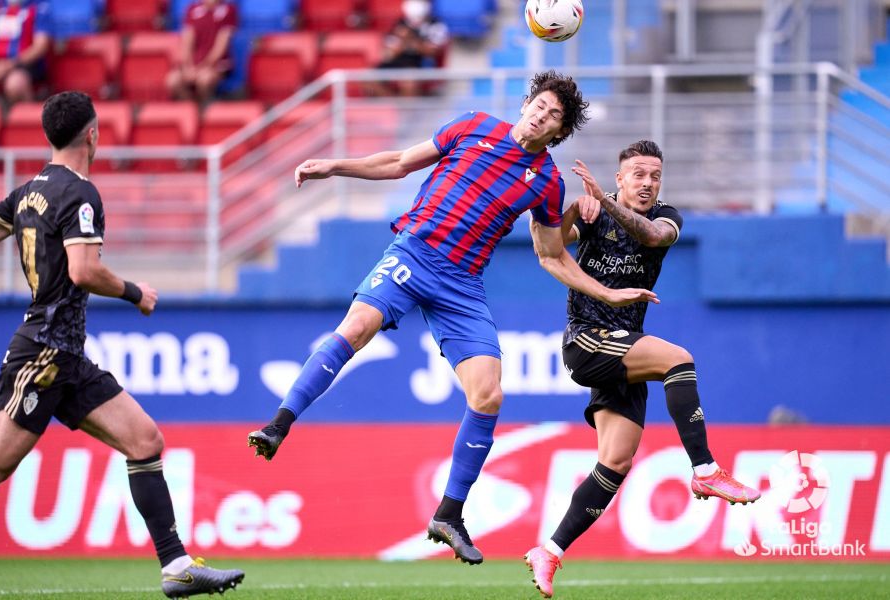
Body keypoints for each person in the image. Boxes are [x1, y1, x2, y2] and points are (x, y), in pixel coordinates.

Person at [247, 71, 659, 565]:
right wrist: (335, 166)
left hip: (462, 285)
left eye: (553, 117)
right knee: (357, 326)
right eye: (540, 105)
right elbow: (399, 162)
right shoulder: (473, 125)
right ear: (526, 103)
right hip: (415, 252)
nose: (542, 115)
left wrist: (606, 295)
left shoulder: (547, 181)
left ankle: (449, 513)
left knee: (488, 393)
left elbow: (551, 255)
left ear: (557, 134)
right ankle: (278, 424)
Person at [0, 91, 244, 599]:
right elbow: (83, 271)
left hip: (66, 356)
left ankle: (176, 565)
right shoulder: (80, 194)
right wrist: (135, 292)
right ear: (93, 133)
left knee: (145, 440)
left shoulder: (29, 191)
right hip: (42, 353)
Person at [523, 140, 761, 598]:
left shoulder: (667, 217)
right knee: (677, 359)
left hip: (623, 349)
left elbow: (651, 237)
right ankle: (706, 468)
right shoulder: (593, 213)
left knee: (615, 462)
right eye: (638, 174)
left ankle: (549, 550)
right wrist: (574, 207)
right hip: (587, 339)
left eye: (654, 175)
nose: (648, 183)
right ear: (620, 178)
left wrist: (607, 203)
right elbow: (549, 245)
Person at [370, 0, 449, 96]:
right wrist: (399, 45)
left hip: (420, 63)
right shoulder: (400, 24)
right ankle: (395, 107)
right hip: (398, 61)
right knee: (369, 79)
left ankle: (406, 108)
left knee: (408, 81)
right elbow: (388, 53)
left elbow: (433, 51)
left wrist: (411, 40)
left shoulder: (436, 25)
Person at [166, 0, 237, 103]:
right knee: (172, 80)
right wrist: (188, 66)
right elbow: (187, 41)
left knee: (204, 80)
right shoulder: (192, 10)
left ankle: (206, 109)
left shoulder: (228, 10)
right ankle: (190, 108)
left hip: (216, 65)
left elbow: (221, 45)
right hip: (194, 65)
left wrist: (202, 67)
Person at [0, 0, 51, 104]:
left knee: (16, 84)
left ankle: (30, 117)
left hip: (25, 65)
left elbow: (40, 46)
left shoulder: (40, 7)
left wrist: (9, 65)